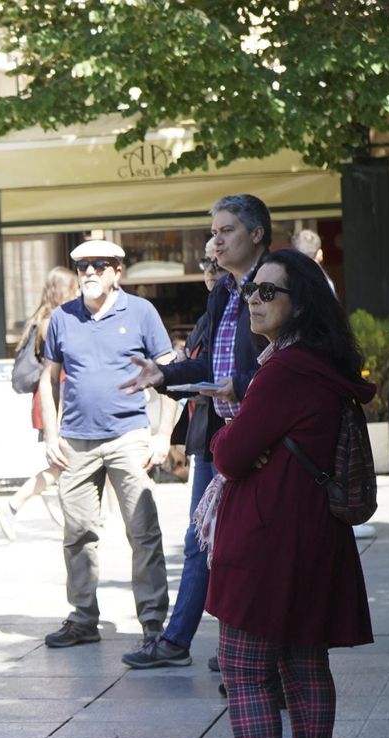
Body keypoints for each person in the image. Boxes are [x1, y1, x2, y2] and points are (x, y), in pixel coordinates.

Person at [125, 248, 374, 738]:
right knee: (304, 663)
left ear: (299, 304)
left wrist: (239, 431)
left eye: (268, 292)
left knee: (244, 666)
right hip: (312, 528)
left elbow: (229, 455)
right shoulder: (317, 363)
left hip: (269, 531)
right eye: (252, 291)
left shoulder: (285, 369)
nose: (253, 299)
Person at [125, 198, 270, 670]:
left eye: (227, 230)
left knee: (256, 547)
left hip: (269, 440)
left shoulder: (278, 282)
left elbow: (300, 359)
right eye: (214, 231)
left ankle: (261, 657)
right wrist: (163, 376)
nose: (217, 240)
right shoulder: (225, 291)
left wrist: (243, 386)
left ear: (257, 234)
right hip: (224, 435)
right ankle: (232, 650)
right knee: (207, 540)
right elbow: (212, 363)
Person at [37, 238, 178, 666]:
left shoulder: (140, 313)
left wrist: (161, 435)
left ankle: (153, 623)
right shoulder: (63, 316)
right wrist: (50, 433)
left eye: (100, 265)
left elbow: (168, 372)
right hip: (76, 440)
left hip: (128, 436)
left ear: (118, 271)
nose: (90, 273)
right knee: (77, 534)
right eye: (82, 267)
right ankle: (83, 619)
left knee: (143, 532)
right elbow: (48, 377)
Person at [0, 266, 78, 538]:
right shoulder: (53, 321)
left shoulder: (39, 318)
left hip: (49, 399)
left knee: (63, 463)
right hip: (57, 399)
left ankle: (62, 508)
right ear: (64, 291)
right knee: (63, 463)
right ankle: (13, 504)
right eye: (74, 288)